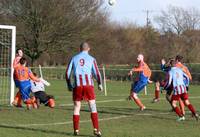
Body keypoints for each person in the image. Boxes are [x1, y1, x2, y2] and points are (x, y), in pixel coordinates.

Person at [66, 42, 103, 137]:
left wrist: (69, 84)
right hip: (88, 86)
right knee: (92, 106)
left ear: (80, 49)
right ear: (89, 49)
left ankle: (76, 130)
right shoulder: (92, 59)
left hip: (77, 86)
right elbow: (97, 73)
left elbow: (67, 73)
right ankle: (96, 129)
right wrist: (100, 83)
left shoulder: (74, 58)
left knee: (77, 107)